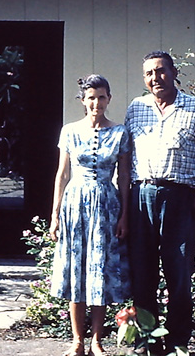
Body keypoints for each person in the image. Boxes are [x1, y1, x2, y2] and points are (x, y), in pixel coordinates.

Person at [125, 51, 195, 355]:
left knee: (178, 274)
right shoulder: (136, 108)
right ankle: (149, 341)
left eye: (161, 71)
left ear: (173, 72)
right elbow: (124, 157)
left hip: (180, 199)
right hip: (141, 197)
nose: (155, 78)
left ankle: (178, 342)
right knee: (142, 274)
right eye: (149, 74)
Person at [49, 74, 131, 356]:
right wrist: (55, 214)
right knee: (76, 272)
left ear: (109, 99)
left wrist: (124, 216)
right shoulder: (70, 131)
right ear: (83, 101)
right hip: (75, 204)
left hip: (107, 205)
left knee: (100, 273)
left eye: (102, 97)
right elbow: (62, 174)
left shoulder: (120, 132)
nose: (97, 103)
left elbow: (124, 178)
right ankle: (77, 341)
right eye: (91, 97)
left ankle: (97, 340)